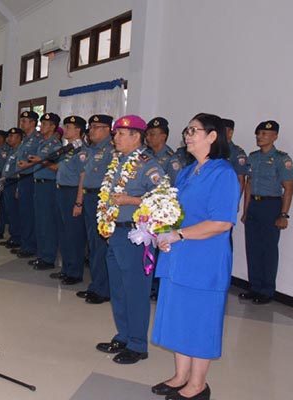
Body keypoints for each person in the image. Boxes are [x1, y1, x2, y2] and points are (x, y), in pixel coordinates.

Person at [151, 113, 240, 400]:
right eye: (187, 130)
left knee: (200, 320)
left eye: (194, 130)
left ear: (213, 136)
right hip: (179, 256)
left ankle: (198, 384)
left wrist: (178, 234)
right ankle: (181, 376)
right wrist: (163, 233)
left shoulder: (223, 173)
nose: (187, 135)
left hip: (204, 259)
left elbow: (221, 223)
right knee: (179, 316)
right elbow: (175, 213)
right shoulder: (188, 171)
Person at [95, 115, 164, 365]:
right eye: (116, 133)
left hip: (135, 236)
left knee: (135, 291)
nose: (116, 137)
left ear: (136, 137)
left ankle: (137, 344)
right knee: (118, 289)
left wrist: (130, 200)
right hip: (115, 233)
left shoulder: (148, 165)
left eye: (121, 134)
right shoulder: (119, 162)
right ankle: (123, 336)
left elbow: (163, 200)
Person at [240, 120, 293, 305]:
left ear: (275, 136)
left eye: (264, 134)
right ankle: (254, 287)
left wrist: (284, 215)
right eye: (258, 133)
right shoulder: (253, 157)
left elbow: (289, 188)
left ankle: (267, 290)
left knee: (268, 249)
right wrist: (246, 210)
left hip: (271, 206)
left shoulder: (281, 159)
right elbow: (248, 184)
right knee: (252, 247)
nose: (259, 137)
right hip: (254, 205)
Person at [75, 114, 114, 304]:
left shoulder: (112, 150)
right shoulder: (92, 149)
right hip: (90, 197)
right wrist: (80, 201)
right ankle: (95, 285)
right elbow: (84, 176)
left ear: (108, 129)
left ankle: (103, 289)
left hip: (102, 199)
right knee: (93, 244)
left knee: (101, 245)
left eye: (96, 127)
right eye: (90, 127)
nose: (91, 130)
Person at [51, 116, 88, 285]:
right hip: (61, 191)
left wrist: (78, 202)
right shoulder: (67, 149)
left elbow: (82, 177)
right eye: (65, 126)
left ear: (78, 130)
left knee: (74, 234)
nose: (64, 130)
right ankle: (66, 268)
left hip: (73, 193)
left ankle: (75, 272)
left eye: (68, 127)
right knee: (63, 233)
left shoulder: (82, 151)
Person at [27, 113, 62, 270]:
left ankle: (48, 258)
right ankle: (41, 255)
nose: (41, 127)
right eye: (41, 123)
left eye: (45, 124)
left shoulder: (56, 145)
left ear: (53, 126)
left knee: (48, 222)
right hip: (38, 184)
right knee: (40, 221)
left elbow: (57, 168)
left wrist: (42, 161)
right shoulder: (42, 143)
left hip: (49, 186)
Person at [12, 111, 43, 258]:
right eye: (21, 120)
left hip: (31, 178)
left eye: (25, 121)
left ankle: (30, 246)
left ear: (33, 123)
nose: (22, 123)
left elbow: (39, 159)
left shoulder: (38, 139)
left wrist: (28, 165)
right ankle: (24, 243)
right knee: (23, 213)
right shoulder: (25, 139)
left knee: (30, 214)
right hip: (22, 178)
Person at [0, 128, 24, 249]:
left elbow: (19, 170)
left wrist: (18, 187)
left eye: (12, 136)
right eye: (8, 136)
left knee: (15, 211)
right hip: (8, 182)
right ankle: (13, 235)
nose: (9, 138)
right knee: (9, 211)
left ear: (19, 138)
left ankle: (17, 237)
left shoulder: (20, 151)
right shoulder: (11, 150)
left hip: (15, 182)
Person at [146, 117, 182, 183]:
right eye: (147, 134)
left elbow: (175, 183)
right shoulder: (146, 153)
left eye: (152, 134)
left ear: (163, 137)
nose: (147, 137)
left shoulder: (171, 159)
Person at [221, 118, 248, 196]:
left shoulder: (237, 152)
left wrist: (235, 200)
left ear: (230, 133)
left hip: (227, 194)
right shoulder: (211, 150)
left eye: (222, 130)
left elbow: (240, 180)